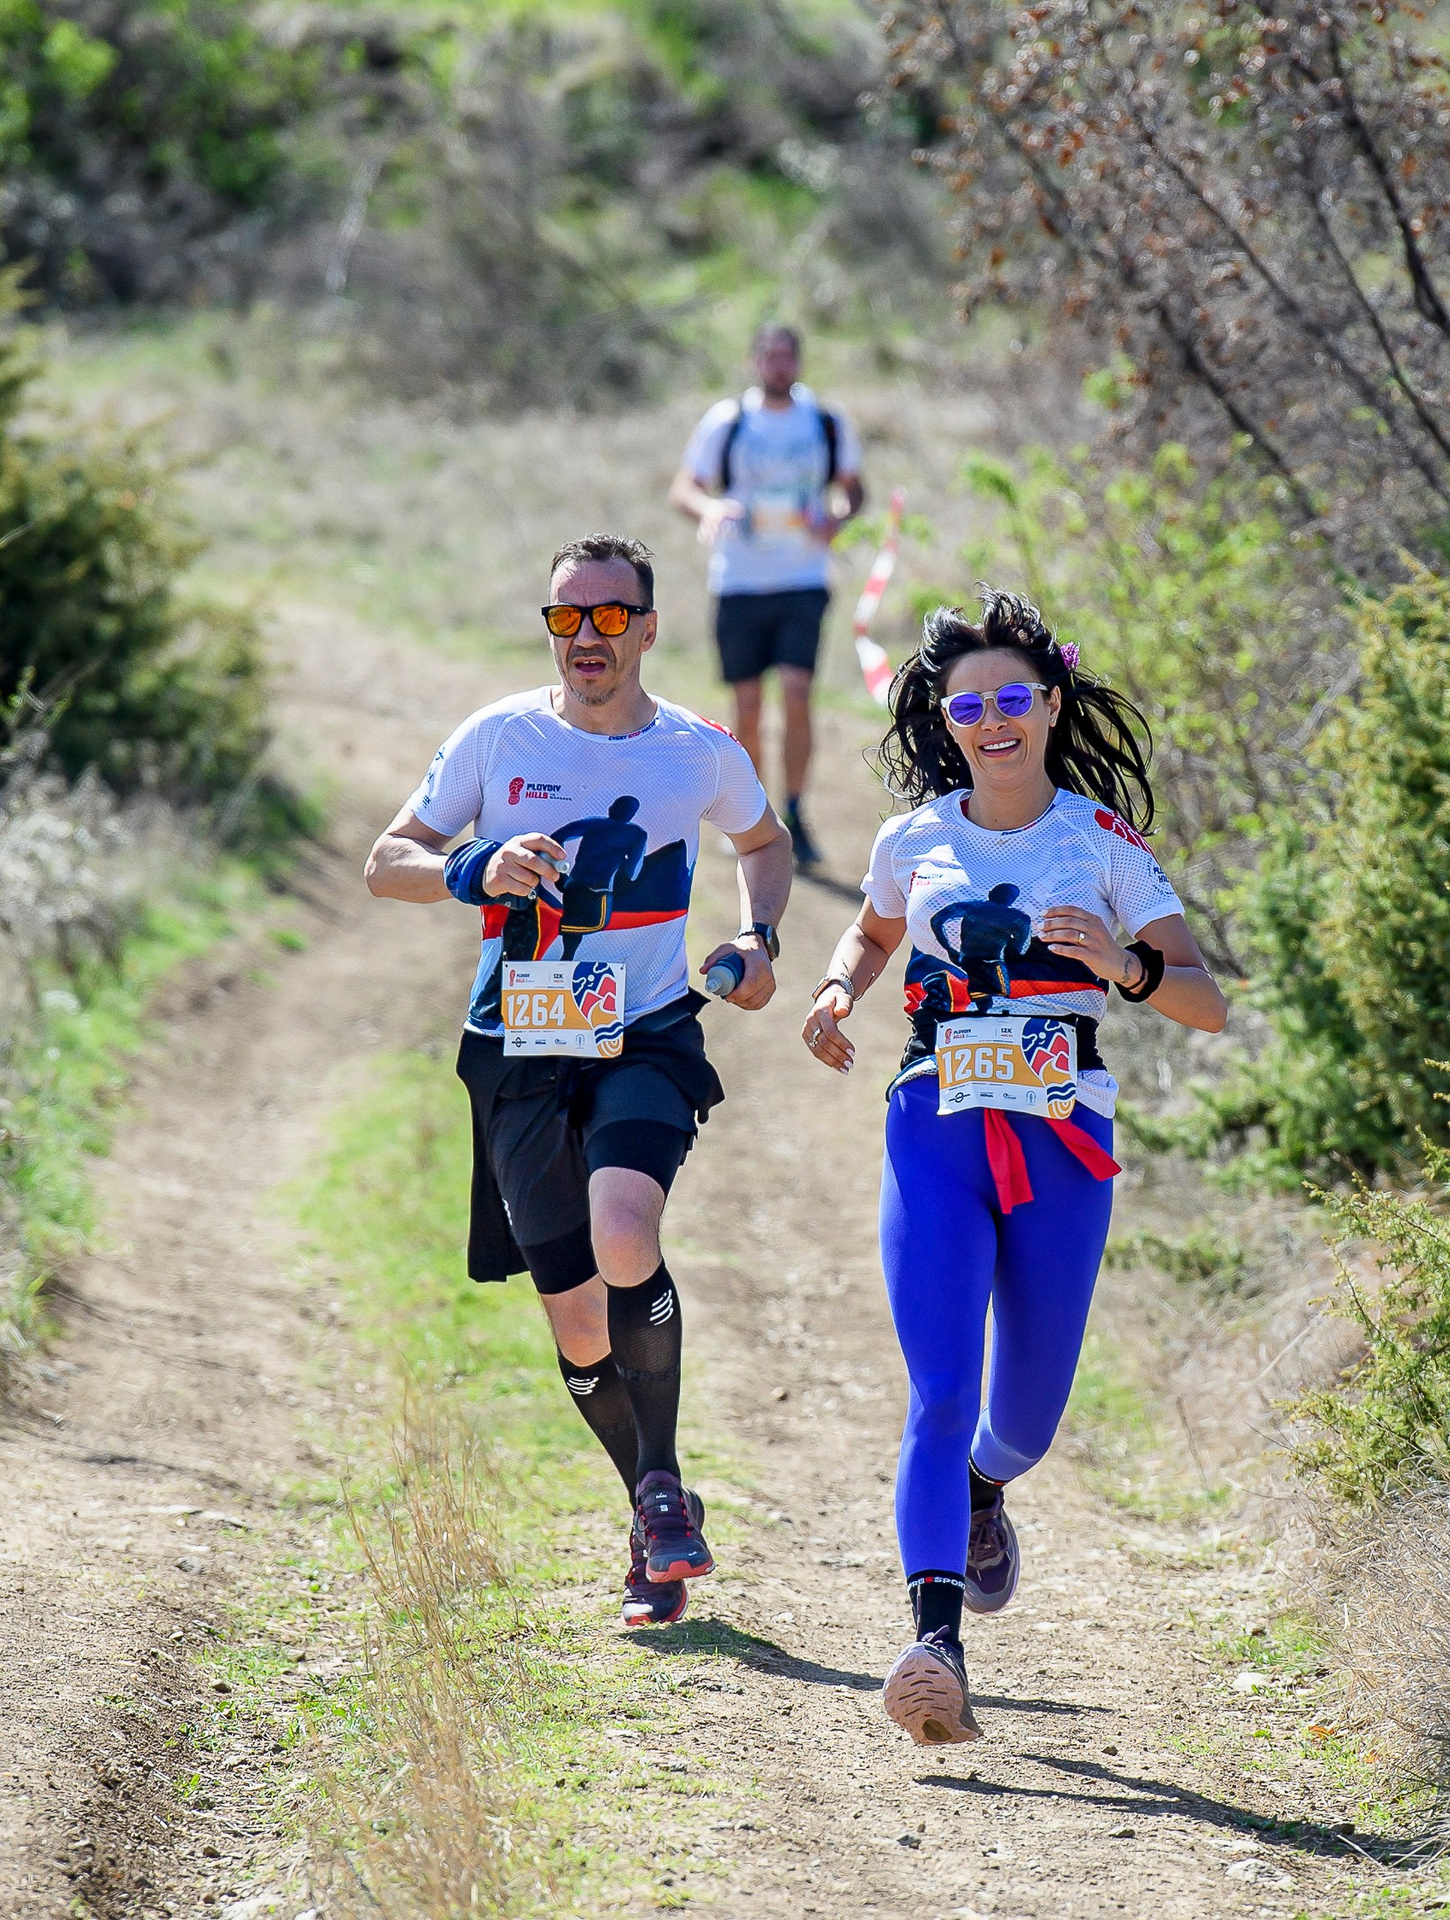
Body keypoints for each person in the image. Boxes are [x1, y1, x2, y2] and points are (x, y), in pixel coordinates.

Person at [797, 588, 1227, 1745]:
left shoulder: (1100, 841)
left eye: (1010, 700)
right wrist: (838, 987)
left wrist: (1127, 969)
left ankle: (987, 1486)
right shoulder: (912, 838)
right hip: (934, 1120)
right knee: (939, 1392)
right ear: (943, 720)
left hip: (1062, 1135)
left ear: (1049, 705)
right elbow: (875, 930)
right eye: (966, 705)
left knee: (1023, 1419)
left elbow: (1207, 1004)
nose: (990, 721)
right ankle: (933, 1644)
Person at [366, 533, 794, 1628]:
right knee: (578, 1328)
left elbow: (764, 842)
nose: (586, 636)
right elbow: (386, 861)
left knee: (624, 1235)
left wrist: (759, 937)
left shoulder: (696, 750)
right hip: (518, 1046)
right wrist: (470, 866)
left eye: (609, 616)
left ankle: (661, 1493)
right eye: (567, 616)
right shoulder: (497, 736)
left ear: (648, 627)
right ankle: (653, 1504)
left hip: (643, 1034)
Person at [668, 323, 866, 869]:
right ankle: (751, 817)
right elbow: (684, 488)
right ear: (755, 361)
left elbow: (854, 490)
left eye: (787, 356)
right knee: (748, 706)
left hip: (804, 578)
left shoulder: (825, 421)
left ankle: (796, 811)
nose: (779, 365)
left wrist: (836, 518)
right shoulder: (728, 420)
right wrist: (709, 509)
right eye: (770, 356)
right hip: (739, 581)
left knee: (798, 693)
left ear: (799, 362)